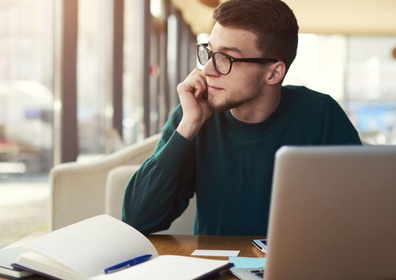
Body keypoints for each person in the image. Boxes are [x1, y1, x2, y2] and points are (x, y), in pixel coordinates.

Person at [122, 0, 362, 236]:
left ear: (274, 73)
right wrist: (188, 126)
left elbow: (360, 208)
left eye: (226, 58)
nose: (207, 70)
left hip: (298, 266)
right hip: (216, 269)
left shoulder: (321, 114)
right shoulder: (193, 115)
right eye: (209, 52)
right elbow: (136, 220)